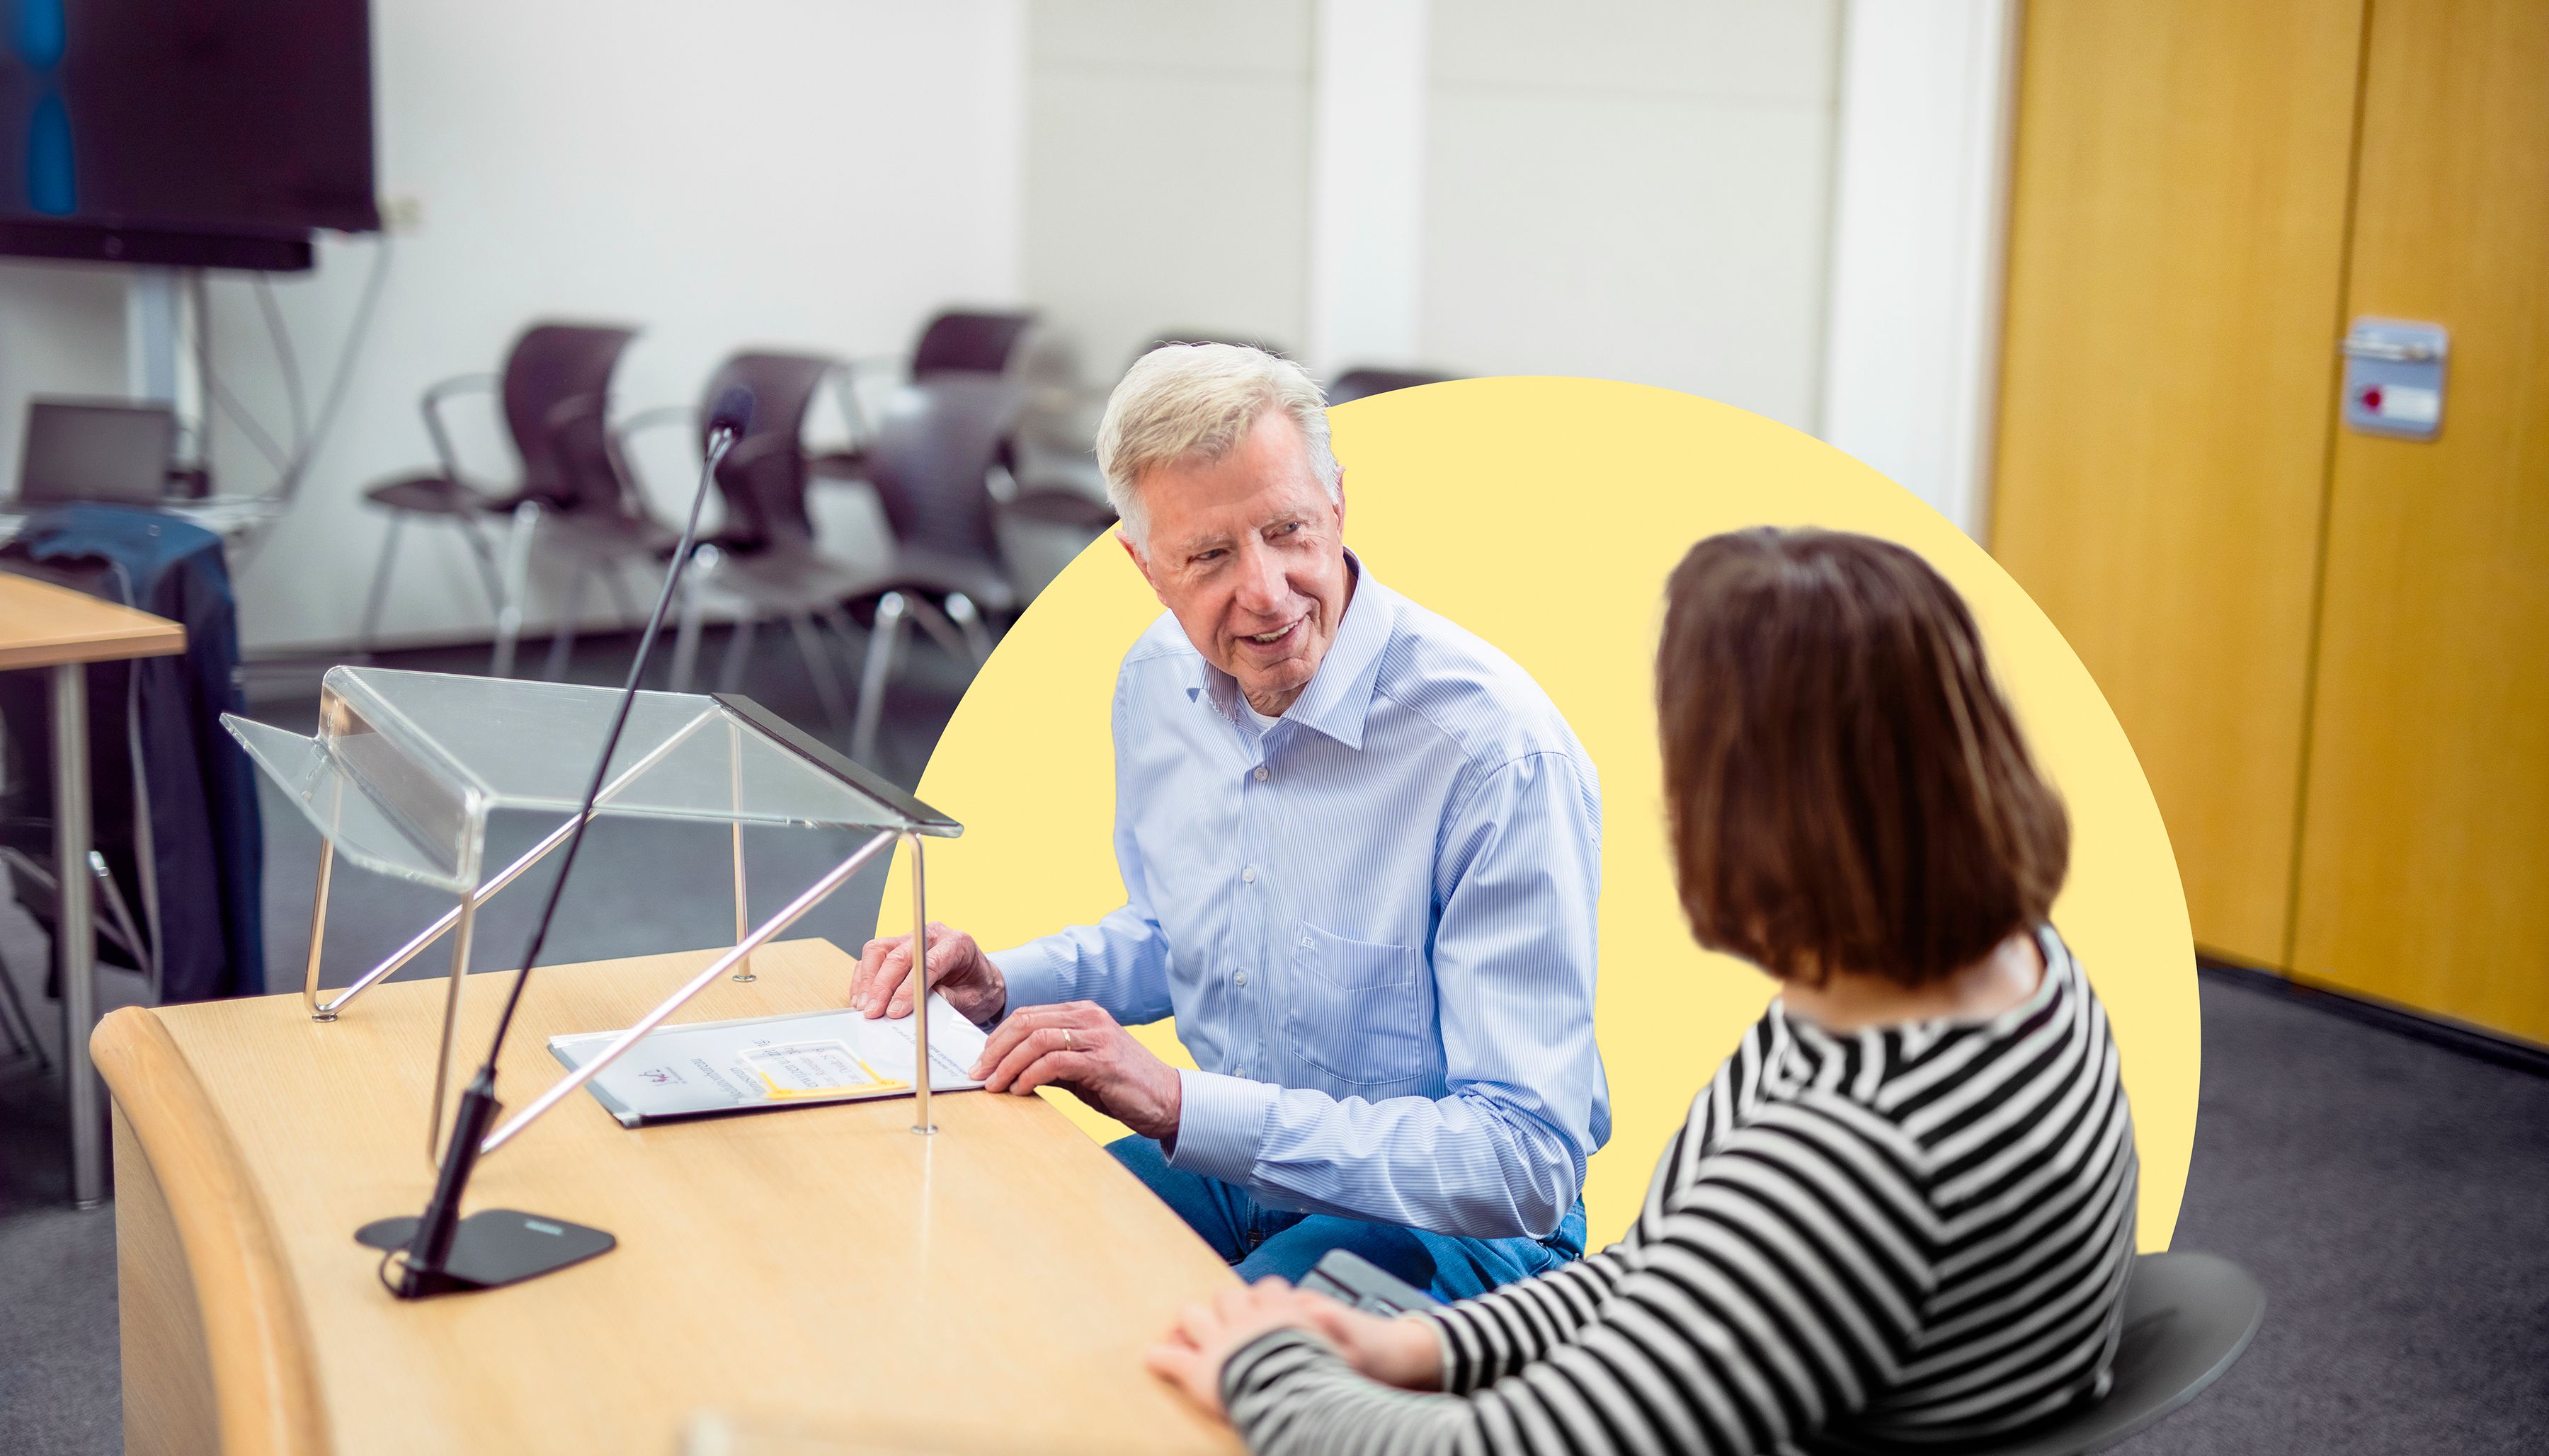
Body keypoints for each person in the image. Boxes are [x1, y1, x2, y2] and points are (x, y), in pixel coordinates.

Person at [1146, 526, 2140, 1455]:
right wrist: (1428, 1349)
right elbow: (1680, 1268)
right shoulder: (1993, 964)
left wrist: (1265, 1366)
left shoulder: (1849, 1157)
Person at [851, 343, 1608, 1299]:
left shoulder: (1496, 751)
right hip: (1238, 1171)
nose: (1264, 590)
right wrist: (1002, 987)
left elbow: (1525, 1161)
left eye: (1289, 529)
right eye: (1208, 555)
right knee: (976, 1267)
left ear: (1338, 505)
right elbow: (1188, 934)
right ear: (1144, 566)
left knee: (1192, 1382)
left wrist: (1177, 1102)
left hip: (1456, 1220)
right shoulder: (1156, 680)